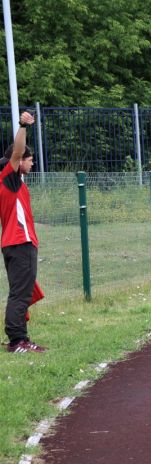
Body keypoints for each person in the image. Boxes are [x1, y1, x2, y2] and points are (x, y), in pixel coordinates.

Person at [1, 111, 46, 353]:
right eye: (29, 159)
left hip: (16, 244)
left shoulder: (14, 183)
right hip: (19, 243)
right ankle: (18, 341)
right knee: (19, 294)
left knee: (22, 291)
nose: (32, 162)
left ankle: (20, 338)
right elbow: (17, 150)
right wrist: (21, 126)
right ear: (18, 162)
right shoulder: (9, 178)